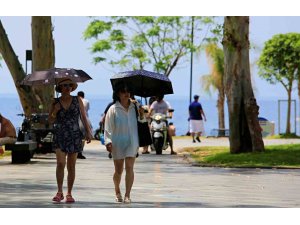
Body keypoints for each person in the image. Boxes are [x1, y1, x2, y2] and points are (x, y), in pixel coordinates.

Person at [48, 78, 93, 203]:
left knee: (71, 166)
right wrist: (55, 111)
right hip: (60, 134)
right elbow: (50, 120)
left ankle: (69, 193)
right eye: (64, 85)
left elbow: (83, 117)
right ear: (60, 88)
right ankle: (59, 191)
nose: (67, 87)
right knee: (60, 163)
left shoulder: (77, 100)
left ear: (72, 87)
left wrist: (88, 132)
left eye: (69, 85)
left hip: (74, 134)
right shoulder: (55, 102)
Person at [104, 82, 145, 203]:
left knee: (130, 167)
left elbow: (142, 122)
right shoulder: (113, 109)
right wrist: (108, 141)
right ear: (118, 94)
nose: (126, 94)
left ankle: (127, 195)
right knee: (119, 170)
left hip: (132, 141)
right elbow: (108, 127)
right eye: (123, 92)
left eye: (128, 91)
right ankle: (117, 190)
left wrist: (142, 113)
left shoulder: (135, 107)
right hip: (118, 142)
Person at [77, 91, 92, 159]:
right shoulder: (86, 101)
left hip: (77, 119)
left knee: (77, 136)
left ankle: (77, 151)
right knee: (83, 136)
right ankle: (80, 151)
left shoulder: (76, 101)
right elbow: (87, 110)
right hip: (85, 119)